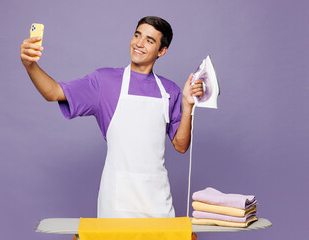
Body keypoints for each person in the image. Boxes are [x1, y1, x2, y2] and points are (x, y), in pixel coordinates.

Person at [20, 16, 203, 220]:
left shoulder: (170, 90)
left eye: (150, 40)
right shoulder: (104, 81)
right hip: (117, 200)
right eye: (137, 35)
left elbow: (180, 145)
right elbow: (53, 92)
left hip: (157, 199)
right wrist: (30, 66)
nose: (139, 43)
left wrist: (187, 105)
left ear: (162, 51)